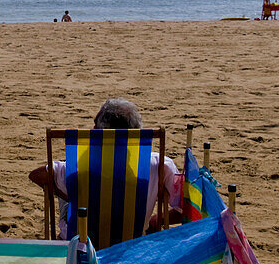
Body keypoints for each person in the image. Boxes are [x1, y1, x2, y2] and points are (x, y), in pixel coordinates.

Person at [29, 97, 182, 240]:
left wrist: (72, 196)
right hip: (130, 245)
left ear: (99, 133)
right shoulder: (159, 165)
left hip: (83, 248)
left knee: (67, 187)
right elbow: (187, 206)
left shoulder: (78, 167)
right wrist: (157, 220)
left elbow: (36, 175)